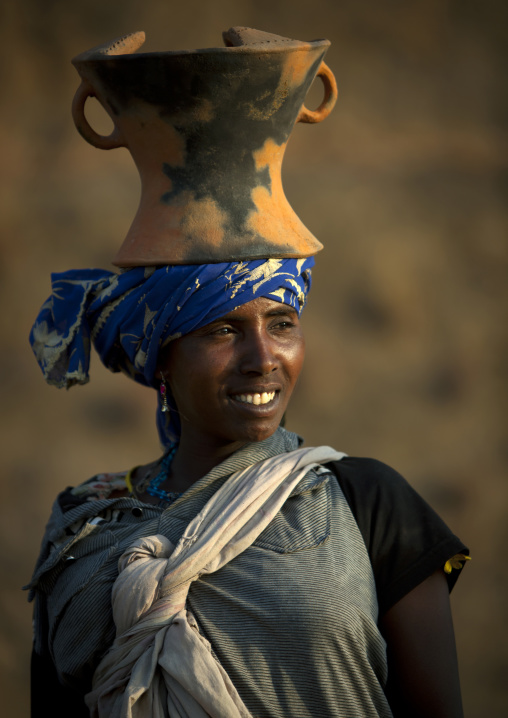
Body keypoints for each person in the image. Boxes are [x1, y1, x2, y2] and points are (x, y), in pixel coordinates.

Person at [27, 257, 469, 718]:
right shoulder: (86, 523)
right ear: (162, 359)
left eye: (281, 324)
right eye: (223, 329)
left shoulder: (364, 498)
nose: (263, 359)